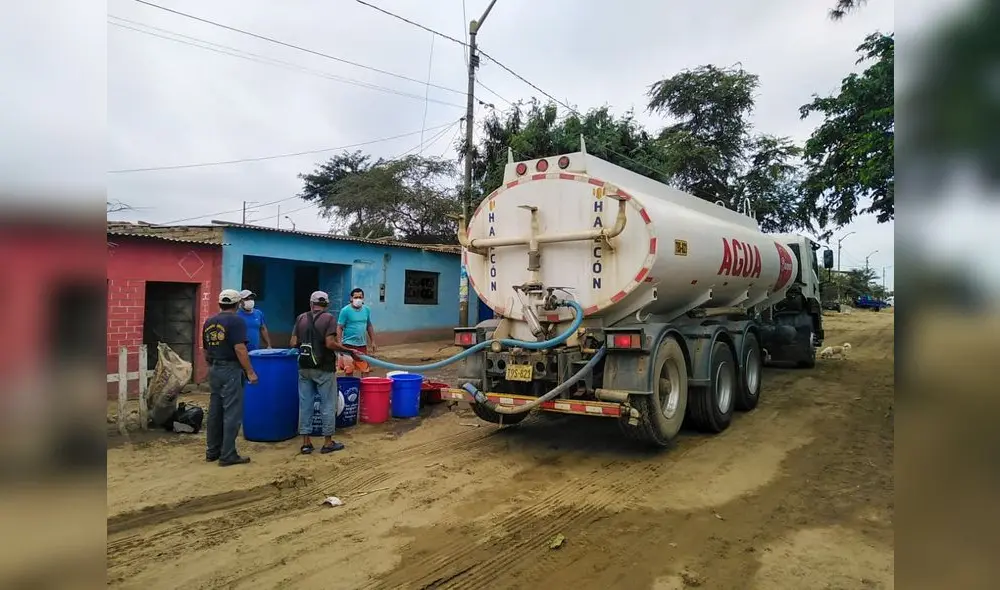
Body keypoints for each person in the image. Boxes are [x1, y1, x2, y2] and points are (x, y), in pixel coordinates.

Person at [289, 291, 359, 455]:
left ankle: (306, 443)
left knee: (305, 404)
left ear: (311, 303)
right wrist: (348, 350)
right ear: (326, 304)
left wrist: (306, 342)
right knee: (328, 403)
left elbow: (292, 342)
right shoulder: (329, 318)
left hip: (304, 367)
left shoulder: (301, 318)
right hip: (324, 367)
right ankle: (328, 442)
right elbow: (330, 343)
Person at [202, 289, 257, 466]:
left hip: (215, 368)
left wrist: (212, 365)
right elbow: (240, 349)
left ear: (220, 303)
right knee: (232, 412)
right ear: (237, 303)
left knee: (215, 411)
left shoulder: (209, 321)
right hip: (231, 369)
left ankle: (212, 451)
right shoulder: (236, 321)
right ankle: (228, 454)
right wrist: (250, 371)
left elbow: (205, 349)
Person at [337, 288, 377, 375]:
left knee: (365, 370)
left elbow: (369, 325)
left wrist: (373, 341)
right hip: (348, 345)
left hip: (362, 345)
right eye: (356, 297)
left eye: (360, 297)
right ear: (351, 298)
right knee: (349, 370)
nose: (358, 299)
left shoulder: (366, 310)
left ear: (363, 298)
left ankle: (364, 388)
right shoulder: (345, 311)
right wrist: (339, 344)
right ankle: (350, 387)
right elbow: (339, 327)